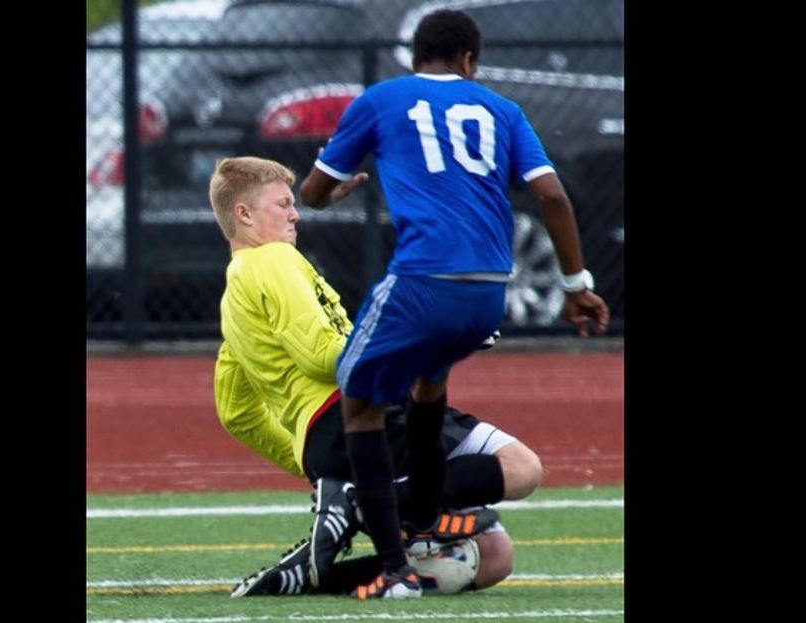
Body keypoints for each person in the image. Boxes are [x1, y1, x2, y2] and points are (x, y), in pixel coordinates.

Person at [298, 9, 610, 599]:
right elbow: (552, 196)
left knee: (357, 401)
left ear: (418, 55)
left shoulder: (381, 99)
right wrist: (576, 287)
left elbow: (311, 193)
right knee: (427, 386)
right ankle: (417, 522)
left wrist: (334, 191)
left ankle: (394, 569)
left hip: (423, 281)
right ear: (469, 61)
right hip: (488, 293)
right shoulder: (502, 108)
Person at [207, 156, 543, 597]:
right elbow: (322, 356)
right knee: (520, 471)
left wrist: (308, 460)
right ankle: (357, 502)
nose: (294, 214)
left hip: (348, 431)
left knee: (495, 553)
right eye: (283, 204)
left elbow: (236, 412)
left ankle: (318, 566)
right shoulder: (272, 260)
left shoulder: (233, 302)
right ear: (243, 215)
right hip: (356, 417)